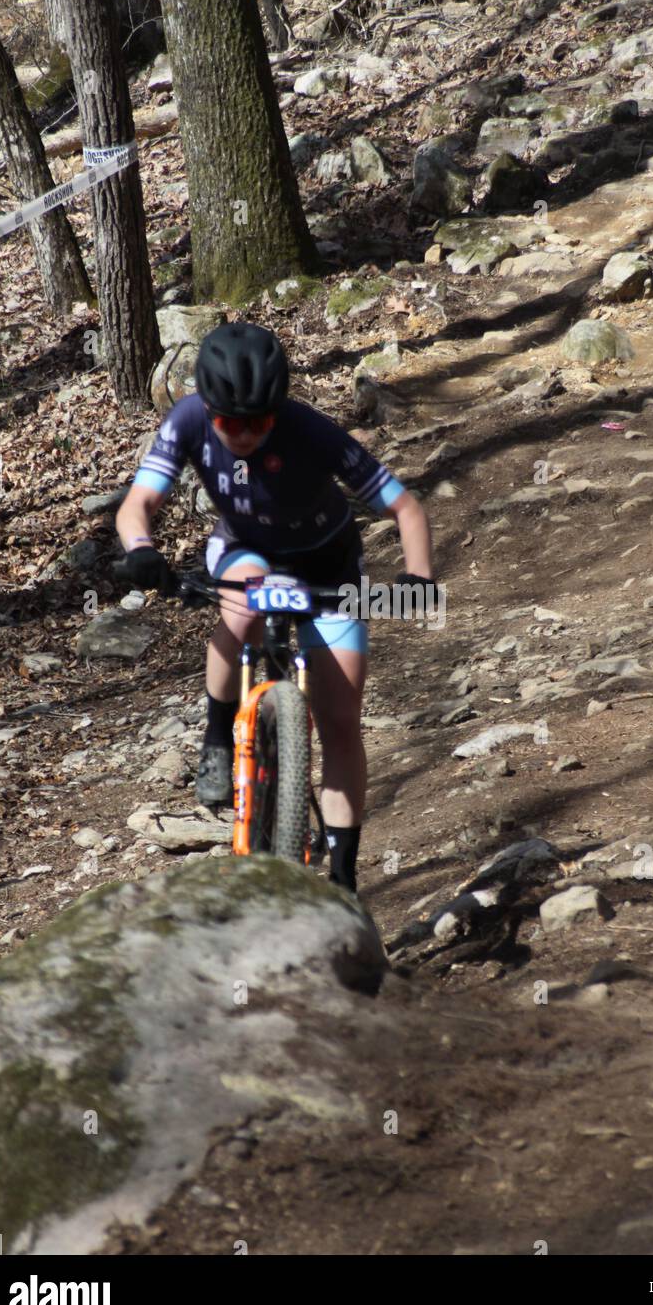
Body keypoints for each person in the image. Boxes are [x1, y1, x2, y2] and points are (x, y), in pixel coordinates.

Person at [115, 321, 436, 893]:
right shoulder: (186, 419)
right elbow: (138, 502)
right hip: (245, 548)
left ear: (278, 411)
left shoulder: (310, 431)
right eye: (228, 424)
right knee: (243, 606)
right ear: (208, 410)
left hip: (328, 565)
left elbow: (405, 508)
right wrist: (141, 549)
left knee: (340, 724)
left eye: (258, 423)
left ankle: (342, 872)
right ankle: (217, 740)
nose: (241, 435)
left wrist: (417, 577)